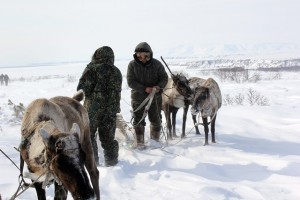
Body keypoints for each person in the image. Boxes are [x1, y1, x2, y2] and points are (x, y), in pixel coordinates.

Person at [77, 46, 122, 167]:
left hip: (93, 110)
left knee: (89, 136)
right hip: (111, 111)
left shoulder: (92, 69)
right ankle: (112, 164)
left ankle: (93, 165)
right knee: (108, 139)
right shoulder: (117, 71)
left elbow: (82, 90)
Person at [127, 42, 168, 148]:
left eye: (143, 55)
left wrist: (159, 87)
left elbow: (164, 78)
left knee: (156, 119)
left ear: (149, 54)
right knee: (138, 120)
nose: (141, 57)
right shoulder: (132, 65)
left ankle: (155, 143)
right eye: (138, 55)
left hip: (155, 98)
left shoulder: (157, 64)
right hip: (138, 99)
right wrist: (144, 89)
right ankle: (140, 144)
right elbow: (130, 82)